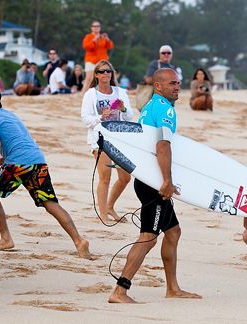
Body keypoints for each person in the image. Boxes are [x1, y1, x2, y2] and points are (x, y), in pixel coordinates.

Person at [108, 68, 201, 303]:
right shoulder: (165, 109)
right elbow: (162, 146)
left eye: (179, 83)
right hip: (154, 184)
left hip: (147, 179)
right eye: (172, 83)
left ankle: (172, 288)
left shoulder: (150, 107)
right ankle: (120, 290)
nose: (177, 87)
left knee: (173, 232)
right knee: (148, 237)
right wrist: (167, 181)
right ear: (158, 86)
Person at [0, 83, 91, 258]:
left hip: (18, 165)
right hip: (37, 161)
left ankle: (6, 239)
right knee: (50, 203)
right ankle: (79, 240)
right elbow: (19, 146)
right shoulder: (11, 116)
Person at [81, 60, 133, 222]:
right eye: (102, 71)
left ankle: (110, 207)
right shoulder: (91, 94)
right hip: (99, 140)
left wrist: (123, 109)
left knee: (125, 178)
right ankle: (103, 213)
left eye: (108, 71)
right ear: (96, 75)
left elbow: (129, 117)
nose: (106, 74)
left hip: (119, 139)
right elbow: (85, 119)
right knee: (105, 177)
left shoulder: (120, 92)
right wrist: (100, 117)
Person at [135, 45, 177, 111]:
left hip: (169, 102)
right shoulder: (155, 64)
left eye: (168, 53)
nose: (166, 54)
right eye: (163, 53)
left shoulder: (173, 68)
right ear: (160, 54)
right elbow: (148, 79)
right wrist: (166, 82)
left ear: (172, 55)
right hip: (154, 98)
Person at [82, 21, 114, 94]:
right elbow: (86, 47)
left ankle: (103, 93)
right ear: (91, 28)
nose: (96, 27)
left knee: (104, 78)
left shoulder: (103, 37)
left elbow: (110, 46)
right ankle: (83, 93)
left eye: (98, 26)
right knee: (89, 78)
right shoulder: (88, 36)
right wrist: (94, 40)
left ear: (100, 28)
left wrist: (107, 39)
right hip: (91, 60)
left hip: (102, 61)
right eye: (94, 26)